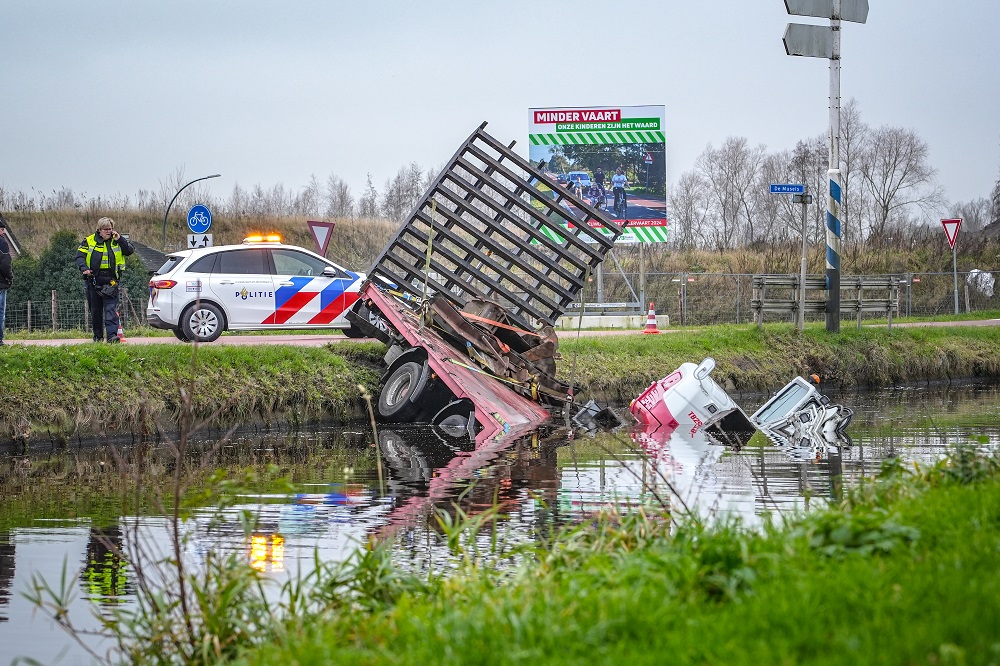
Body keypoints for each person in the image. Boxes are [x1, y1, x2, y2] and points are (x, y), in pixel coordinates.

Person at [76, 217, 134, 343]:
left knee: (111, 310)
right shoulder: (89, 241)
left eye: (111, 229)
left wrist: (120, 239)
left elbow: (129, 251)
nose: (109, 231)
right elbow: (80, 256)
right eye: (106, 229)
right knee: (96, 311)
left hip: (111, 281)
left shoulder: (117, 240)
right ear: (99, 230)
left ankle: (112, 336)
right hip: (93, 280)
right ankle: (97, 337)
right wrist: (84, 268)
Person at [0, 215, 12, 346]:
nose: (3, 232)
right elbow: (5, 263)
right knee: (0, 311)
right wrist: (9, 277)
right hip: (0, 283)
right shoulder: (2, 243)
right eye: (2, 229)